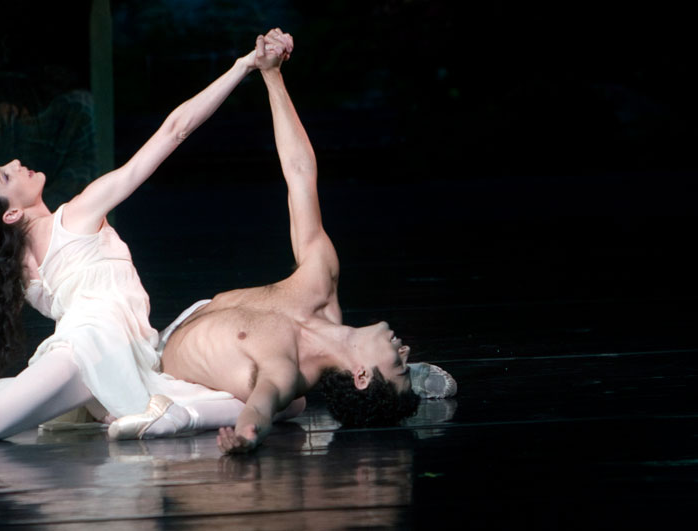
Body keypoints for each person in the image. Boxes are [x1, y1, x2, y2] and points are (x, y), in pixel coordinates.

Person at [0, 33, 293, 442]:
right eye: (6, 173)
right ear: (12, 212)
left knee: (282, 401)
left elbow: (174, 131)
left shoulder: (79, 212)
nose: (17, 162)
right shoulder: (30, 256)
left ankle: (164, 413)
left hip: (121, 352)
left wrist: (243, 66)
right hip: (87, 346)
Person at [108, 29, 456, 453]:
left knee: (284, 405)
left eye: (399, 364)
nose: (404, 347)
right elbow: (300, 175)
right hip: (188, 319)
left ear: (362, 375)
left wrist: (246, 436)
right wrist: (272, 76)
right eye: (404, 362)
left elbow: (259, 408)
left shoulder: (286, 373)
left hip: (160, 371)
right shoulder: (320, 283)